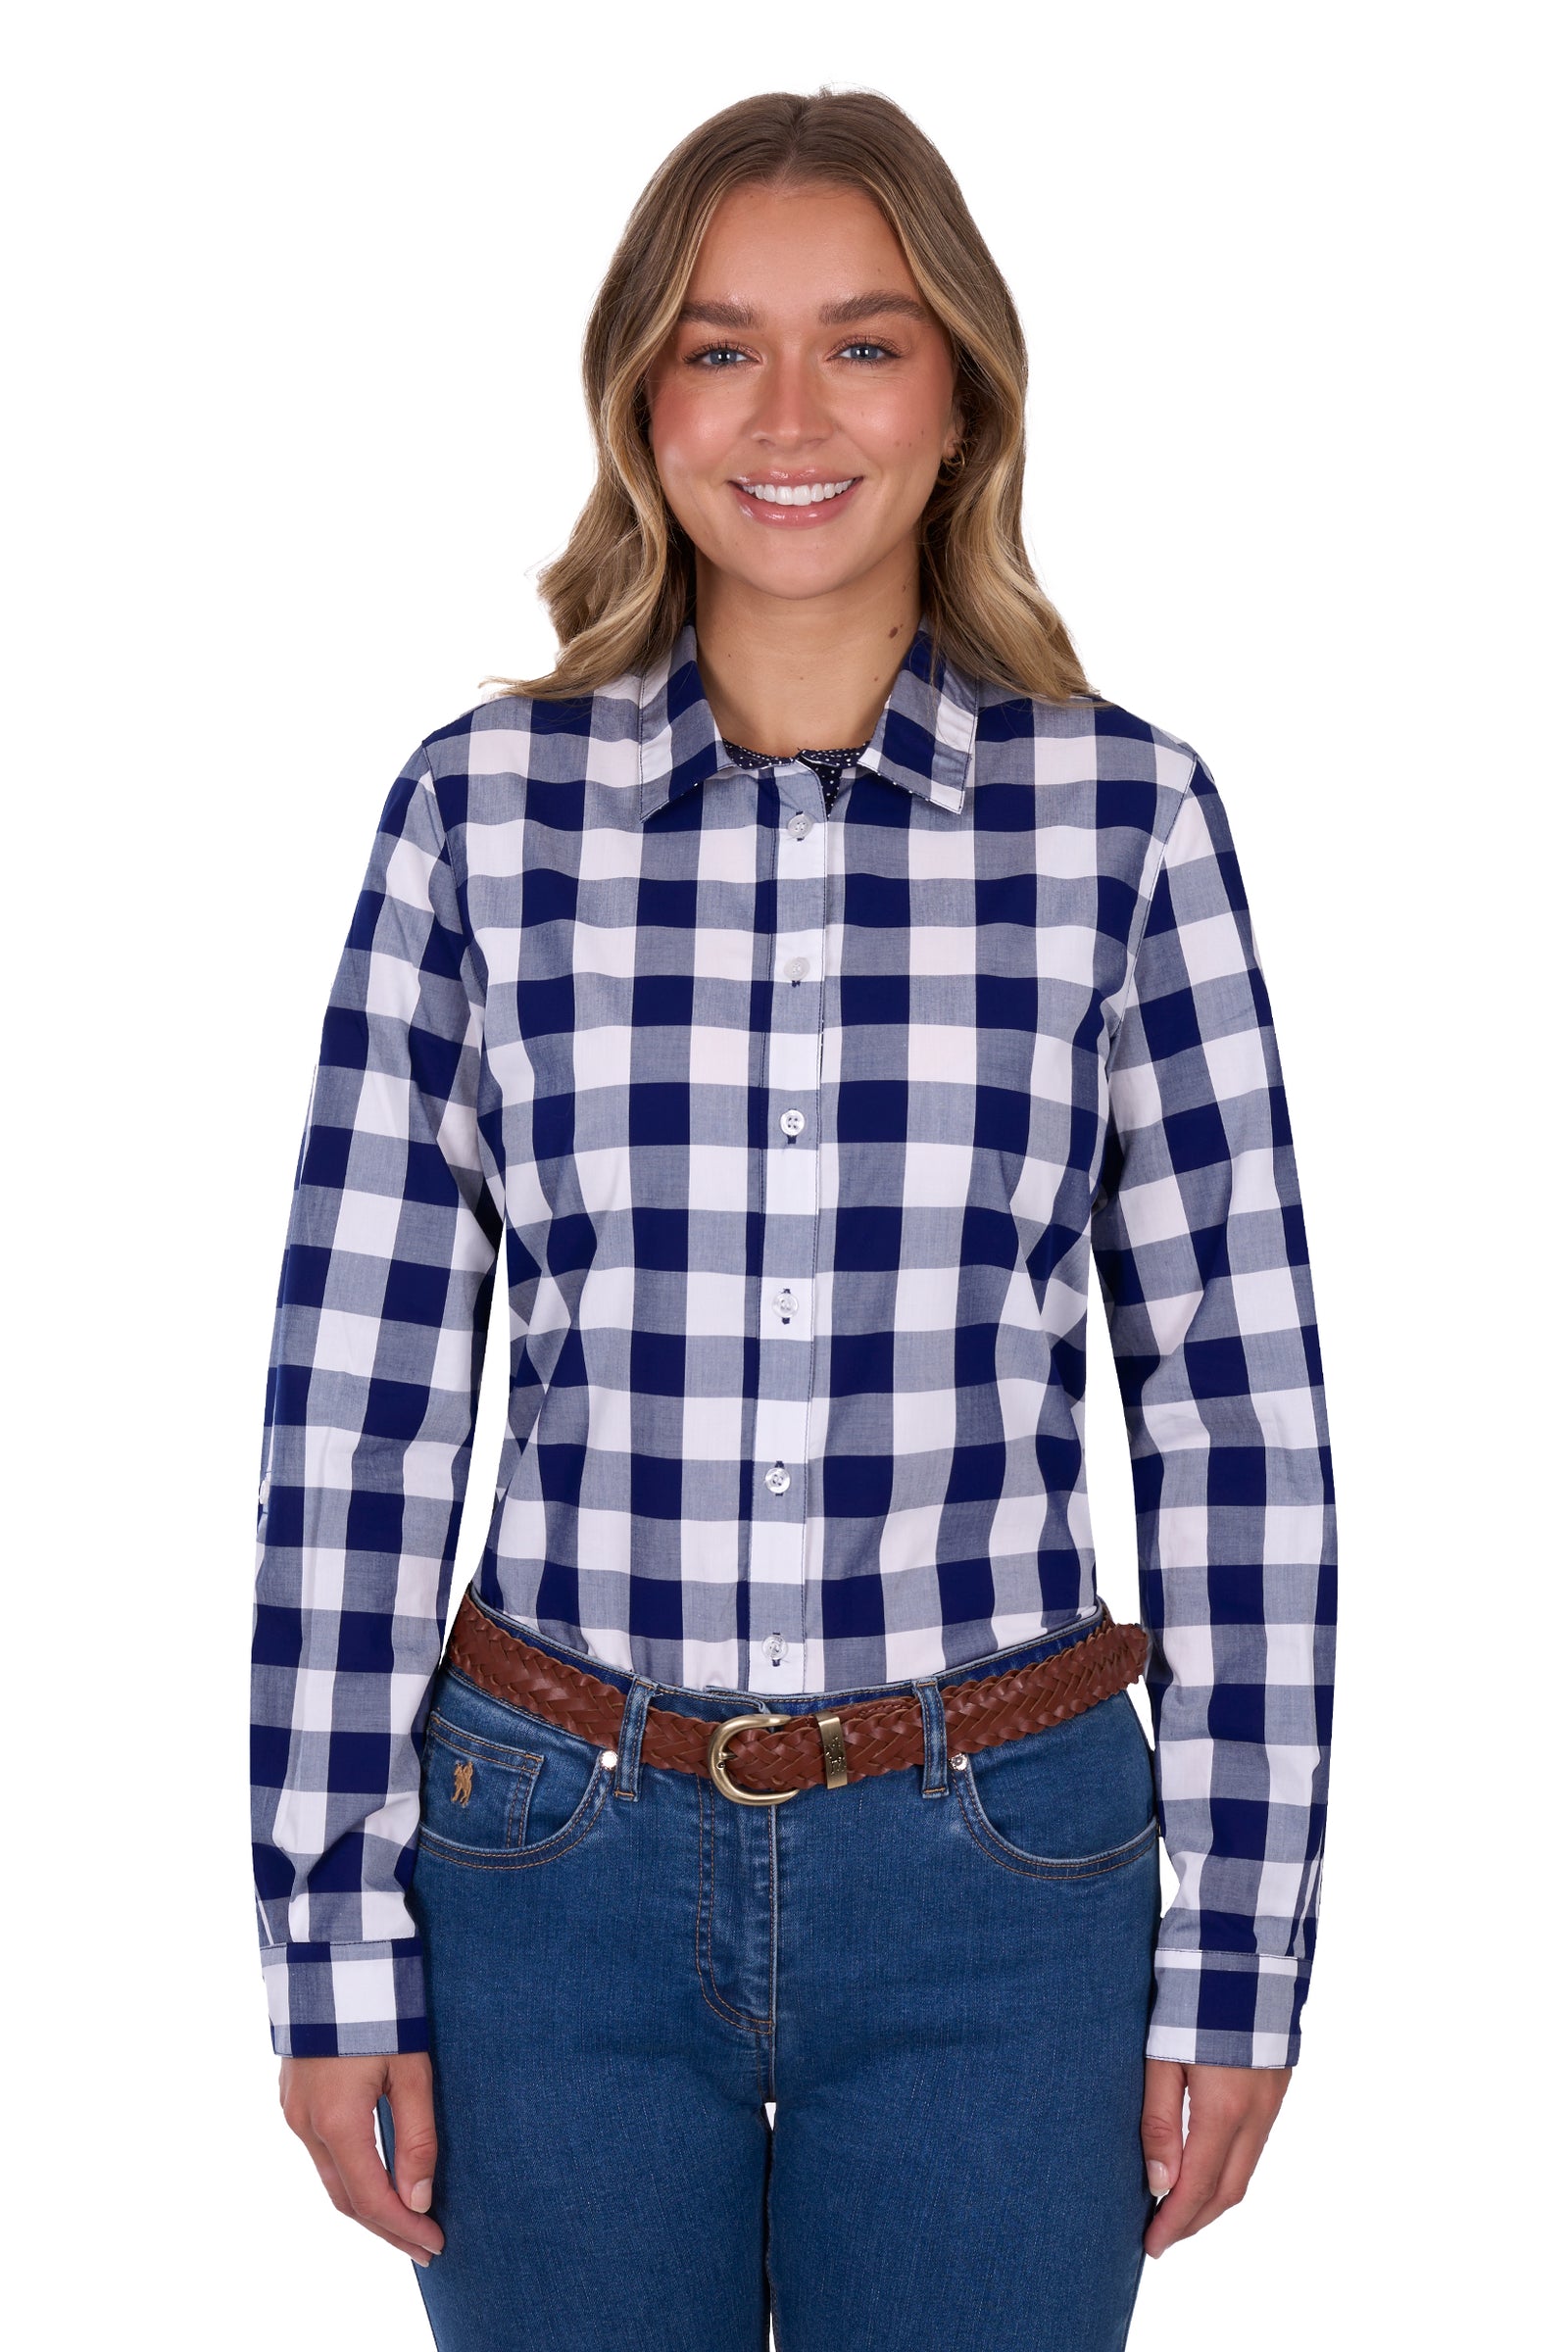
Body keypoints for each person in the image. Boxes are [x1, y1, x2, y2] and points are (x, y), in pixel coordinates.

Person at [251, 86, 1336, 2352]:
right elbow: (358, 1422)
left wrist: (1240, 1955)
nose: (786, 416)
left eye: (860, 342)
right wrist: (327, 1938)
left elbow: (1234, 1427)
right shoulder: (477, 820)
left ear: (959, 395)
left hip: (1002, 1874)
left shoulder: (1123, 823)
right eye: (716, 347)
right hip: (543, 1858)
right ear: (639, 400)